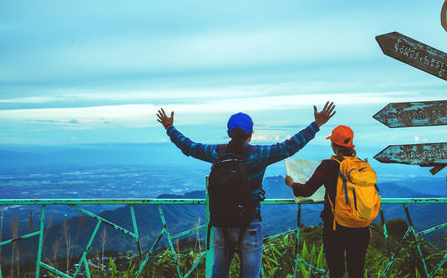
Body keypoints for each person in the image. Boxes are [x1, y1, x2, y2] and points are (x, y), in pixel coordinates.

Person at [156, 102, 336, 278]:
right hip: (250, 224)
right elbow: (289, 147)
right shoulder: (259, 154)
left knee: (219, 272)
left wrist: (169, 127)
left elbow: (189, 147)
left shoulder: (216, 152)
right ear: (250, 134)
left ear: (228, 133)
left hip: (221, 224)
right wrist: (316, 125)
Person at [285, 125, 370, 278]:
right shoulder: (361, 165)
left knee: (336, 271)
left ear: (333, 145)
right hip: (361, 226)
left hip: (336, 227)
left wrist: (292, 184)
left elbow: (306, 191)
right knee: (356, 272)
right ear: (350, 145)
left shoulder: (328, 165)